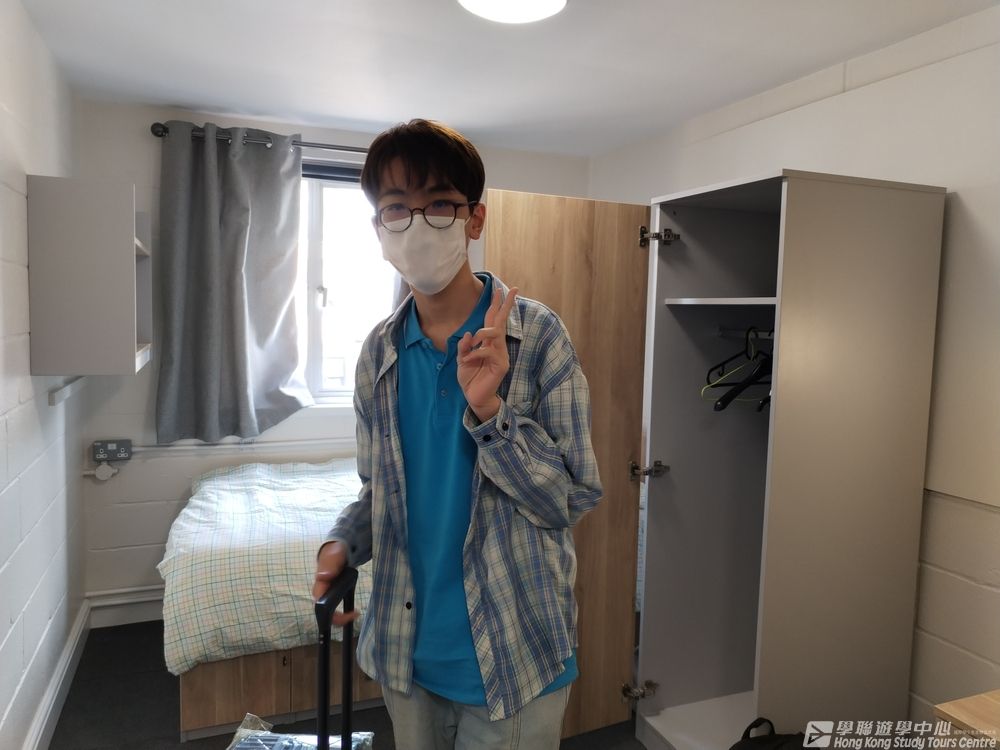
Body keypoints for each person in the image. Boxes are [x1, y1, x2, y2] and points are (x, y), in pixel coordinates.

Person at [313, 119, 602, 750]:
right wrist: (343, 542)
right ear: (378, 227)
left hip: (514, 652)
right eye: (396, 207)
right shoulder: (377, 354)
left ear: (474, 219)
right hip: (406, 653)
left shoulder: (538, 338)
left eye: (439, 204)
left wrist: (492, 412)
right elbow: (380, 491)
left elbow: (570, 497)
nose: (416, 225)